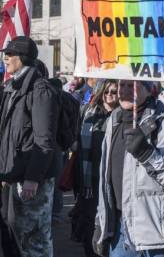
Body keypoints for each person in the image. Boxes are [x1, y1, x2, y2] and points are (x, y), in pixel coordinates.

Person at [0, 36, 59, 257]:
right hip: (11, 174)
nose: (5, 58)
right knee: (12, 232)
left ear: (24, 58)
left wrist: (32, 178)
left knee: (34, 240)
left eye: (10, 54)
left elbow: (44, 140)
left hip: (30, 178)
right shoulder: (12, 86)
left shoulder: (40, 90)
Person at [93, 80, 164, 257]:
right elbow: (105, 181)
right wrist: (100, 223)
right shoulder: (113, 122)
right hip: (120, 233)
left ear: (149, 90)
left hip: (159, 238)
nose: (124, 90)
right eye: (122, 85)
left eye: (132, 85)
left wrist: (147, 154)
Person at [70, 80, 119, 257]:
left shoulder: (124, 115)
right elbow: (75, 140)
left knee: (112, 223)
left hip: (113, 180)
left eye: (114, 91)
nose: (110, 95)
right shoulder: (87, 112)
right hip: (89, 181)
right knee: (90, 223)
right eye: (106, 92)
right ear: (99, 93)